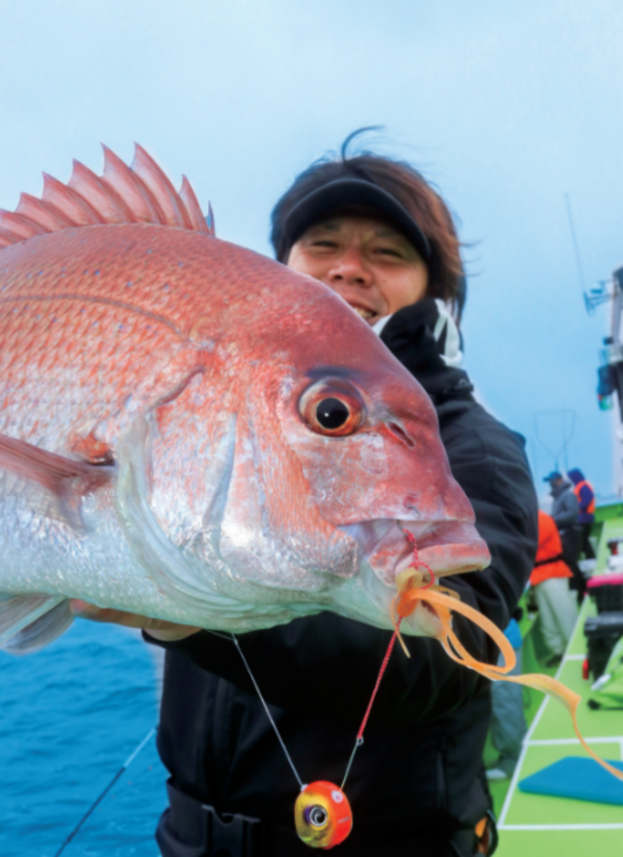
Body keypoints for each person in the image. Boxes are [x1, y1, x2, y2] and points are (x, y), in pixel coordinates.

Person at [73, 132, 538, 856]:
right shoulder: (212, 399)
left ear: (435, 288)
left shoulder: (473, 447)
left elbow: (456, 644)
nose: (351, 268)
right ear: (281, 265)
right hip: (193, 836)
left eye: (388, 253)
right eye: (323, 244)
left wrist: (196, 618)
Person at [530, 509, 578, 666]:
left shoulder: (541, 518)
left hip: (552, 573)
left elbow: (532, 543)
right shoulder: (528, 518)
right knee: (547, 619)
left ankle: (576, 650)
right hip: (537, 576)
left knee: (565, 615)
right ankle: (558, 651)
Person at [486, 614, 527, 782]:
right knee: (502, 699)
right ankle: (511, 755)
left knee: (504, 701)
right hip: (493, 637)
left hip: (500, 638)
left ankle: (513, 759)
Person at [543, 470, 584, 599]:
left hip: (570, 534)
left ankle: (582, 593)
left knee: (571, 563)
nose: (550, 483)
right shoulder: (557, 498)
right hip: (562, 535)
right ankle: (577, 592)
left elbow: (572, 515)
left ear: (560, 480)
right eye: (549, 481)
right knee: (568, 563)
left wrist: (551, 521)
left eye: (552, 480)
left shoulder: (568, 495)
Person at [567, 468, 596, 560]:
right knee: (583, 541)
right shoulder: (579, 486)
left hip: (585, 517)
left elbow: (587, 500)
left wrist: (576, 507)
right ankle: (590, 558)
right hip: (583, 517)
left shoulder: (583, 486)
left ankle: (591, 558)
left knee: (583, 541)